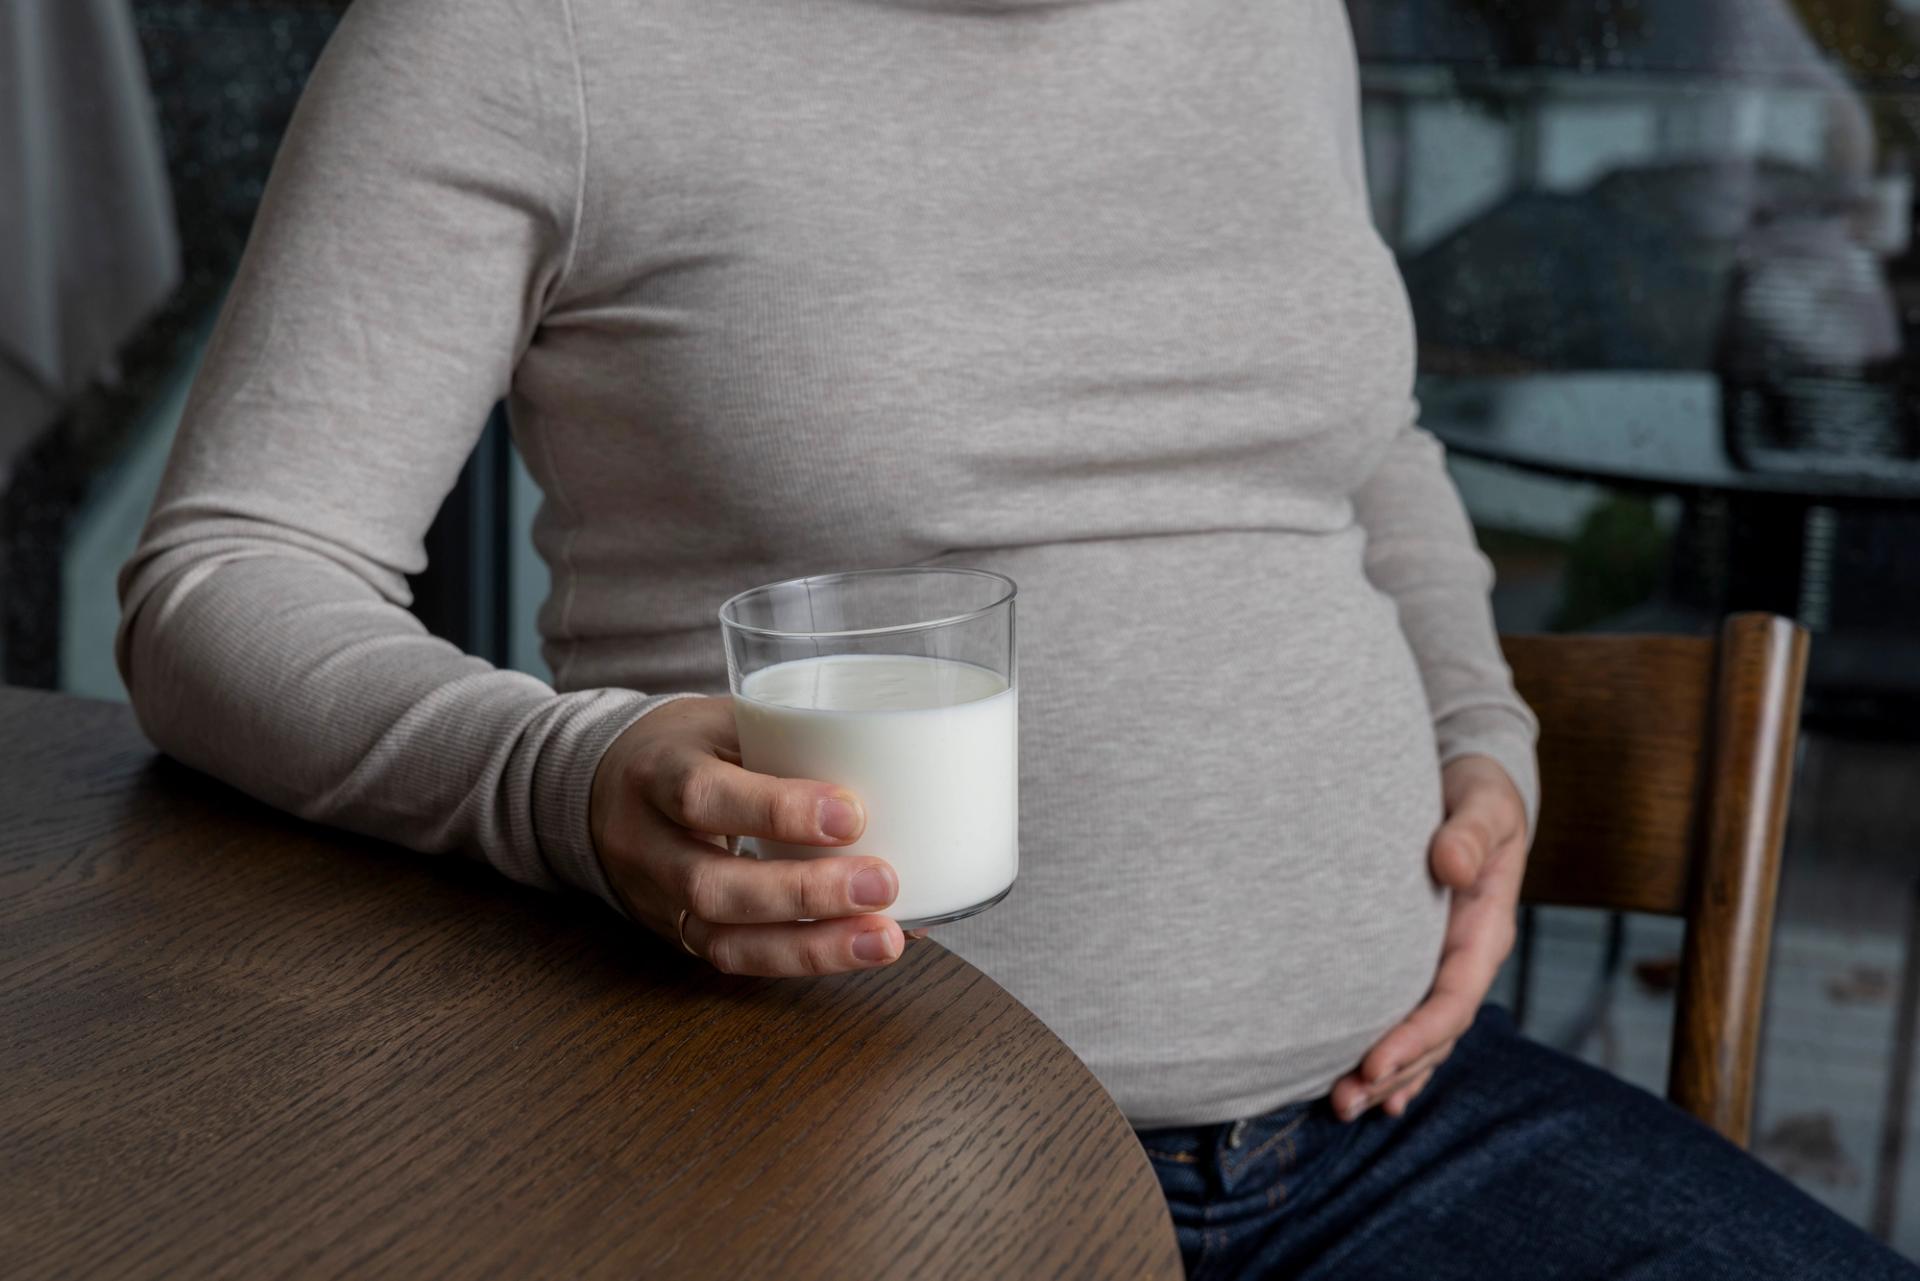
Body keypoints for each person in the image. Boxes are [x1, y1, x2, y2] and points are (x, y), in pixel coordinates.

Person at [115, 1, 1916, 1276]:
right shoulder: (532, 34)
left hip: (1398, 1129)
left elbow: (1369, 443)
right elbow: (229, 578)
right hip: (818, 1149)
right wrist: (561, 774)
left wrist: (1481, 732)